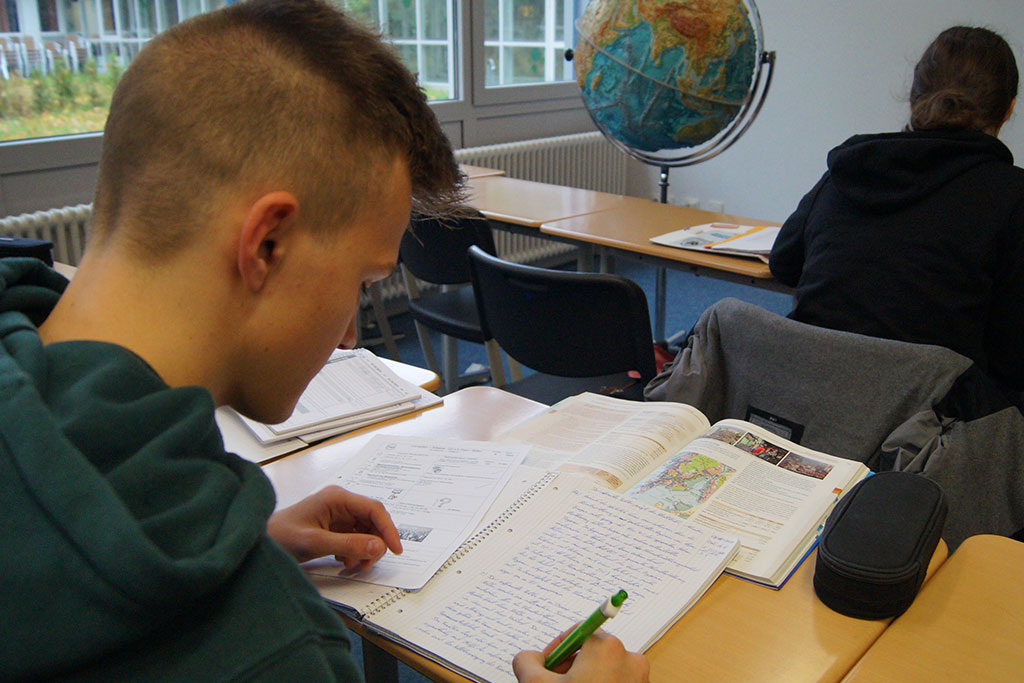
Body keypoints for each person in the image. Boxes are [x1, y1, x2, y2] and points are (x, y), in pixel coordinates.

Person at [0, 1, 648, 680]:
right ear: (268, 243)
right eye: (363, 278)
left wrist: (256, 532)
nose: (349, 332)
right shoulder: (273, 646)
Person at [769, 26, 1024, 393]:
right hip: (927, 434)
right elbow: (1012, 353)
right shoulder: (1012, 198)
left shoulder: (850, 167)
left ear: (914, 96)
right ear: (1009, 109)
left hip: (806, 400)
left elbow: (784, 262)